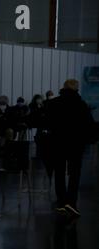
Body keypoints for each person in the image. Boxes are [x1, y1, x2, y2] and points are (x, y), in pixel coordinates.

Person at [46, 79, 95, 216]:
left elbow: (48, 122)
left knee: (59, 173)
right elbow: (88, 125)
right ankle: (71, 202)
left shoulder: (54, 103)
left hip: (58, 143)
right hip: (75, 144)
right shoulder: (81, 104)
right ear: (76, 89)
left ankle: (61, 202)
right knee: (74, 174)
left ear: (63, 87)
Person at [28, 94, 53, 177]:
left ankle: (42, 152)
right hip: (35, 123)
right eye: (38, 99)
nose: (39, 101)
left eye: (40, 99)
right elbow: (33, 115)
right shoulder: (32, 106)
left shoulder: (44, 106)